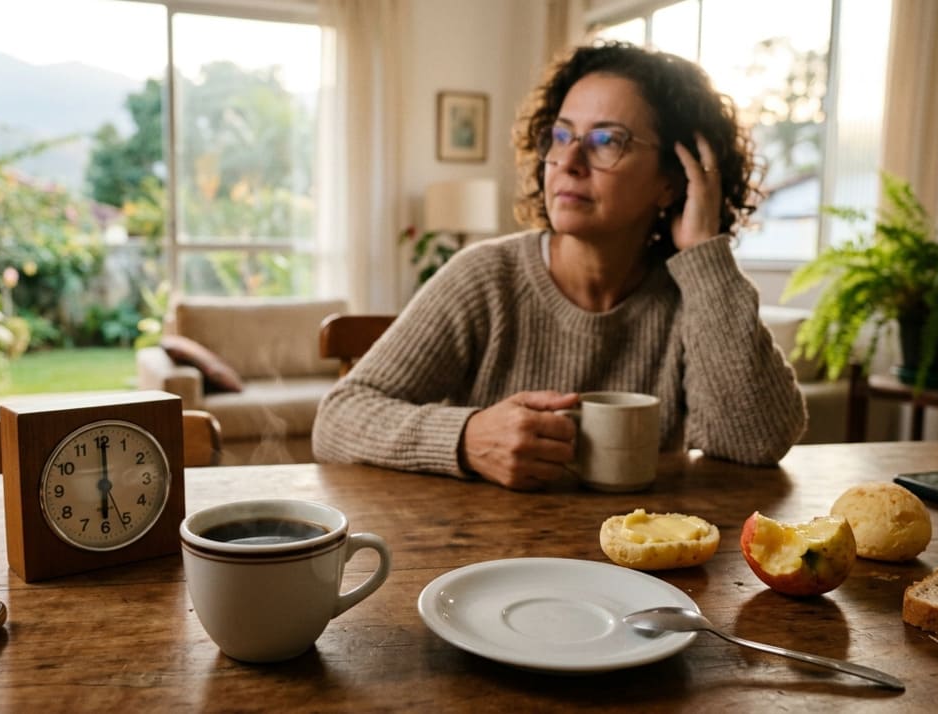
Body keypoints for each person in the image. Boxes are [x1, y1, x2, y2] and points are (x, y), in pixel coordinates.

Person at [312, 41, 807, 490]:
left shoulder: (695, 295)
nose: (568, 161)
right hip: (483, 565)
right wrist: (466, 436)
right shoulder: (485, 278)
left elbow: (756, 443)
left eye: (607, 141)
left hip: (643, 571)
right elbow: (338, 418)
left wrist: (704, 253)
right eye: (561, 135)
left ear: (672, 182)